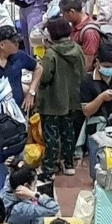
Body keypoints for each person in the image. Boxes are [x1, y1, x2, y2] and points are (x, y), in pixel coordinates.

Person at [36, 18, 85, 181]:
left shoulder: (51, 54)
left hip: (52, 100)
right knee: (68, 132)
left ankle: (49, 167)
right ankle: (68, 164)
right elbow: (83, 72)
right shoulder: (78, 50)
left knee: (51, 135)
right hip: (72, 98)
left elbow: (44, 77)